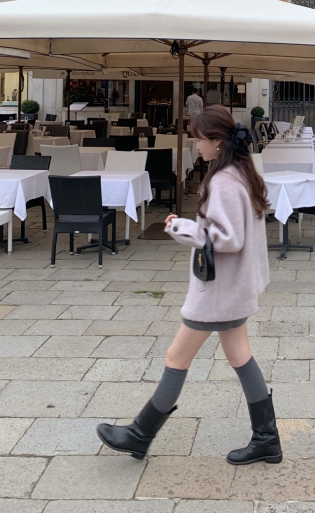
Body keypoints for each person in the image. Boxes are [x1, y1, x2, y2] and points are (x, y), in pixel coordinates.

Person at [96, 105, 281, 466]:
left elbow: (228, 239)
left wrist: (183, 227)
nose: (196, 145)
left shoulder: (224, 181)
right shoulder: (242, 174)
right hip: (235, 287)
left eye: (199, 139)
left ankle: (139, 434)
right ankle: (267, 438)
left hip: (218, 290)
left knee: (176, 357)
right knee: (239, 355)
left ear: (216, 141)